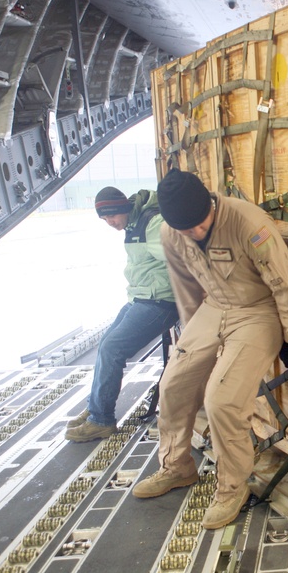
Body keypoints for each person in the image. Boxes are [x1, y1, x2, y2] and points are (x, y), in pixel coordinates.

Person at [131, 169, 288, 530]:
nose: (194, 233)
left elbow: (283, 284)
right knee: (173, 386)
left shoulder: (248, 223)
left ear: (209, 203)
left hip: (259, 311)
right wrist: (193, 343)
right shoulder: (171, 233)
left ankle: (231, 488)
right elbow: (185, 289)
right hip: (214, 308)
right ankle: (176, 467)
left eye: (199, 224)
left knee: (221, 400)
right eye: (185, 229)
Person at [65, 187, 180, 442]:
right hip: (141, 297)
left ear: (123, 208)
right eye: (105, 219)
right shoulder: (133, 223)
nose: (110, 223)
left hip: (160, 301)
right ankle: (96, 406)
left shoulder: (152, 223)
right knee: (105, 344)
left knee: (112, 349)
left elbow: (181, 256)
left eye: (112, 216)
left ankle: (101, 420)